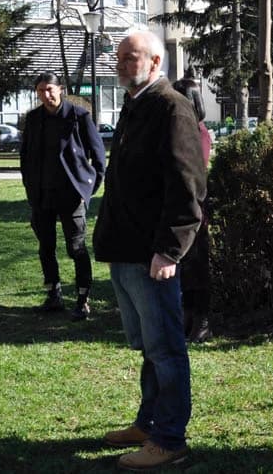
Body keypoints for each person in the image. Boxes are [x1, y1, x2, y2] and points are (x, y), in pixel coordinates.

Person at [94, 31, 207, 470]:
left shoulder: (170, 106)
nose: (122, 63)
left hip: (153, 255)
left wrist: (169, 251)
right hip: (126, 250)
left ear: (156, 60)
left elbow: (187, 186)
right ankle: (148, 421)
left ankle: (169, 439)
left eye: (131, 56)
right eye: (119, 57)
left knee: (166, 349)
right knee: (149, 347)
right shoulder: (136, 104)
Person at [19, 71, 105, 320]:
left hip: (71, 195)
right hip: (42, 196)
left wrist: (86, 191)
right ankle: (53, 294)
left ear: (61, 89)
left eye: (49, 89)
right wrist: (30, 187)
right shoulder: (34, 119)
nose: (46, 95)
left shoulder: (79, 117)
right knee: (46, 247)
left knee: (76, 248)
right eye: (40, 91)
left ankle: (82, 298)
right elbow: (25, 157)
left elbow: (99, 159)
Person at [170, 76, 212, 343]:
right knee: (185, 267)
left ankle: (203, 321)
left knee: (198, 267)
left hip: (194, 208)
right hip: (178, 207)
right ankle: (188, 316)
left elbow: (191, 171)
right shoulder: (179, 128)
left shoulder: (198, 132)